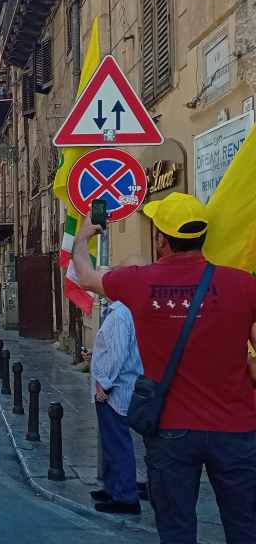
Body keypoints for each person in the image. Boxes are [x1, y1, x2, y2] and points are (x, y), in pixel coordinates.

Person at [72, 192, 256, 542]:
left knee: (175, 530)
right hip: (236, 428)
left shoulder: (140, 281)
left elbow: (85, 276)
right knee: (244, 527)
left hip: (172, 431)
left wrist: (83, 236)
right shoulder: (243, 284)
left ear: (162, 240)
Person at [90, 299, 144, 515]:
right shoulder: (117, 312)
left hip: (115, 391)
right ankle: (112, 488)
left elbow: (117, 353)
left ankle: (126, 496)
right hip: (112, 388)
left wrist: (105, 382)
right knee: (109, 443)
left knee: (118, 443)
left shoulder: (121, 315)